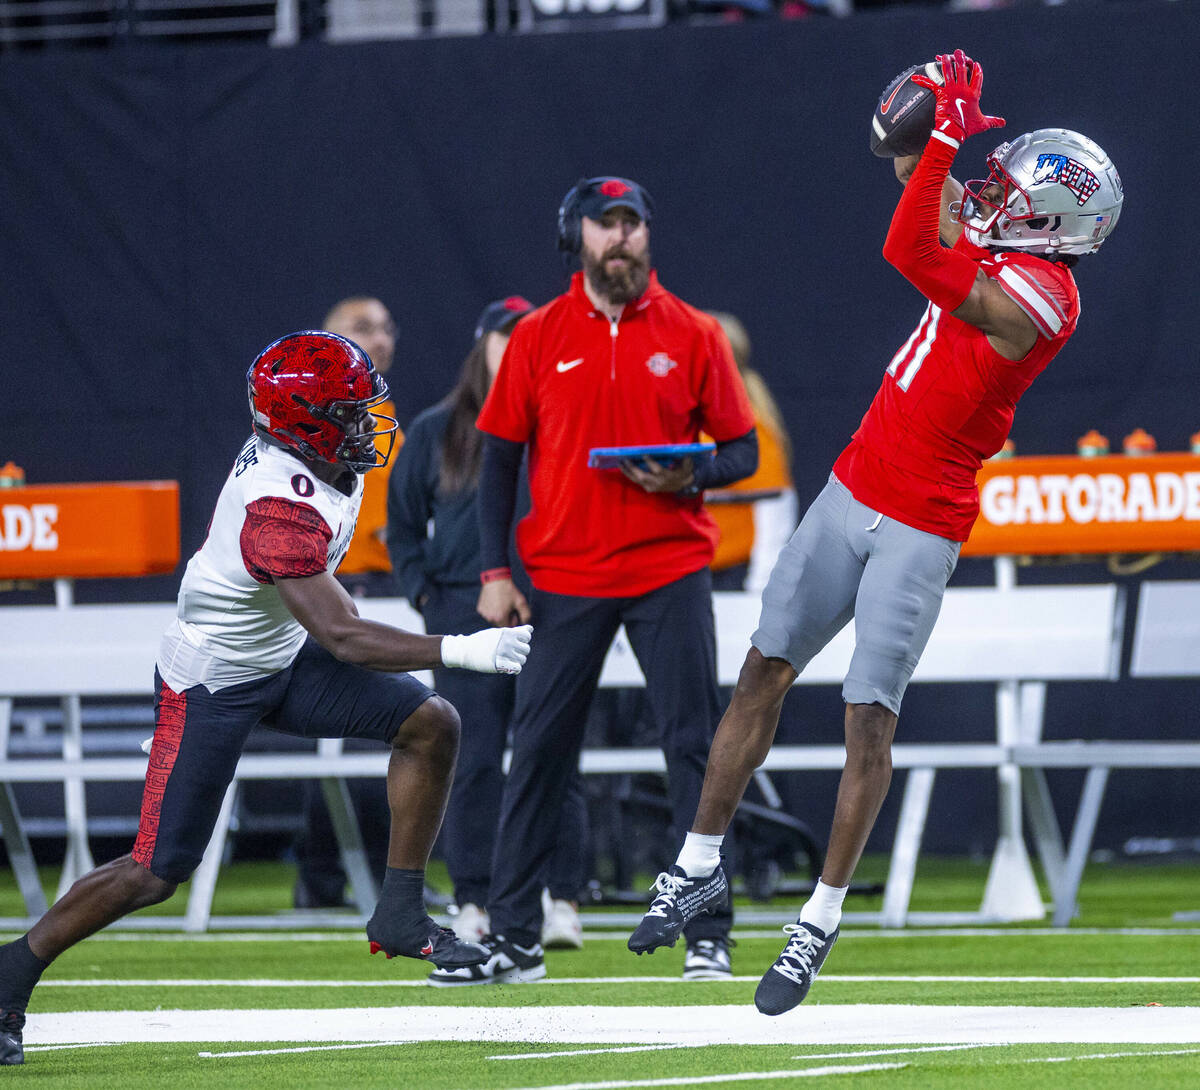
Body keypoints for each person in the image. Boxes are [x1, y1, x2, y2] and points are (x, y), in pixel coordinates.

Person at [627, 49, 1123, 1015]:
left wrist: (942, 142)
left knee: (867, 718)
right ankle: (696, 863)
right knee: (764, 669)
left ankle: (816, 922)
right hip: (855, 480)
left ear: (1057, 221)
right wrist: (936, 111)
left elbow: (912, 252)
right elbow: (908, 182)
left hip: (921, 516)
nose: (996, 189)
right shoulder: (1005, 243)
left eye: (1016, 187)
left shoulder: (1048, 302)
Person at [0, 331, 533, 1066]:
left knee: (430, 723)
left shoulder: (313, 465)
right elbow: (342, 634)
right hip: (213, 682)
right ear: (307, 424)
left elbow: (322, 617)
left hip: (280, 658)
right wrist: (458, 646)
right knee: (156, 870)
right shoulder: (276, 505)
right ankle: (10, 975)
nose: (365, 421)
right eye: (348, 411)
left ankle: (401, 911)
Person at [427, 175, 758, 987]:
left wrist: (686, 477)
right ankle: (514, 937)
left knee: (696, 747)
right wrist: (496, 572)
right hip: (565, 573)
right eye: (604, 225)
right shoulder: (539, 335)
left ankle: (708, 931)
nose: (620, 239)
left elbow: (743, 450)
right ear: (574, 237)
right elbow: (500, 456)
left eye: (631, 225)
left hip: (669, 565)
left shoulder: (693, 332)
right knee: (538, 748)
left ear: (648, 236)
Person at [387, 296, 588, 950]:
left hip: (548, 607)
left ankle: (562, 900)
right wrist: (425, 596)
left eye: (528, 337)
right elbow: (404, 527)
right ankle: (472, 898)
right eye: (506, 338)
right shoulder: (437, 430)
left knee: (551, 755)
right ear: (483, 348)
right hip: (461, 612)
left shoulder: (562, 422)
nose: (516, 349)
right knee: (469, 758)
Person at [291, 295, 401, 911]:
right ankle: (324, 874)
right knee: (343, 732)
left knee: (382, 729)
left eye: (386, 329)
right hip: (330, 584)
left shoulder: (382, 417)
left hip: (383, 586)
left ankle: (360, 876)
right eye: (362, 330)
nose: (380, 340)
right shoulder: (303, 414)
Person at [703, 312, 798, 595]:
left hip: (732, 578)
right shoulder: (683, 418)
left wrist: (758, 589)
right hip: (688, 573)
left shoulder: (749, 426)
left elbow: (774, 511)